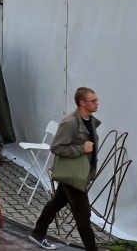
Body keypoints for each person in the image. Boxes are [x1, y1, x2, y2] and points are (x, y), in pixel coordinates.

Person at [29, 87, 100, 251]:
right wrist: (82, 149)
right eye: (93, 100)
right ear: (82, 103)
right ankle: (92, 249)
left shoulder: (88, 121)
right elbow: (57, 148)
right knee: (83, 215)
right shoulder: (71, 123)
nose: (97, 103)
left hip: (80, 173)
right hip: (72, 175)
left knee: (56, 203)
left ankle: (37, 233)